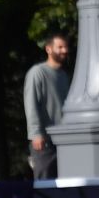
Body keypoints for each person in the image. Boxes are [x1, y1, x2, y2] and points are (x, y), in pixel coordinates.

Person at [24, 32, 71, 181]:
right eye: (60, 47)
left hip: (63, 139)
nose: (65, 50)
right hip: (45, 141)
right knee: (45, 181)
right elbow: (31, 103)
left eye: (66, 47)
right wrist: (36, 133)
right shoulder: (37, 73)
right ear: (48, 49)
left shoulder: (64, 76)